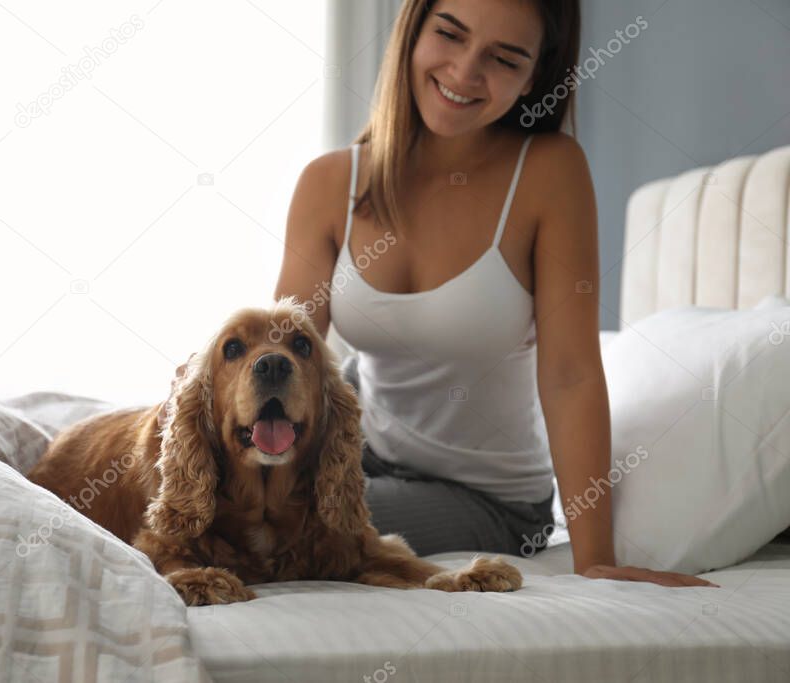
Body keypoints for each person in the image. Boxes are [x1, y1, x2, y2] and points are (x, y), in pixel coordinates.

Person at [269, 0, 716, 588]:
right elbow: (284, 353)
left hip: (487, 497)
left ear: (536, 77)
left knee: (279, 520)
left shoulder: (549, 174)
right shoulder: (330, 181)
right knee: (173, 472)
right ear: (412, 30)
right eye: (449, 35)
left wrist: (595, 562)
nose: (463, 73)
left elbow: (571, 375)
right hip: (360, 449)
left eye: (504, 59)